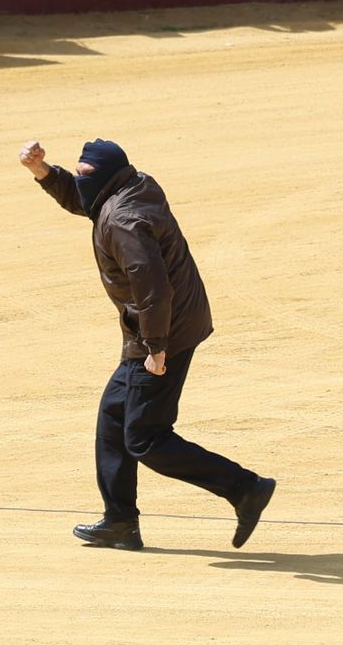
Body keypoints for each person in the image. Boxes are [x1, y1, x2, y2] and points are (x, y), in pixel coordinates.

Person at [18, 137, 277, 552]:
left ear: (104, 177)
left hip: (163, 331)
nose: (82, 182)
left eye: (86, 175)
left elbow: (151, 287)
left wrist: (156, 347)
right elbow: (86, 200)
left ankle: (245, 488)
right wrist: (44, 173)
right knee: (114, 418)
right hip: (171, 323)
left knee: (145, 438)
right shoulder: (132, 186)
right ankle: (119, 522)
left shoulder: (123, 220)